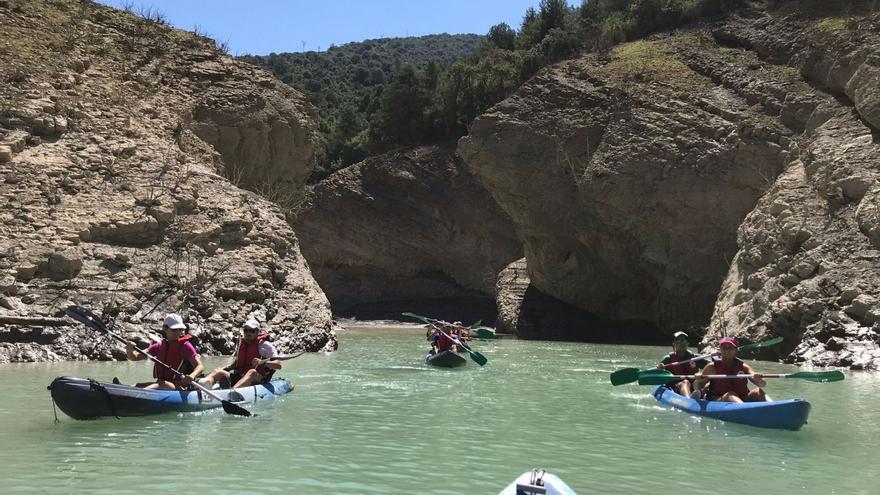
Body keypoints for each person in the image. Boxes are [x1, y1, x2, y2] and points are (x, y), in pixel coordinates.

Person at [125, 313, 204, 390]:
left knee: (161, 384)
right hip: (162, 383)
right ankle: (125, 389)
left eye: (180, 329)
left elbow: (200, 366)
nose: (178, 332)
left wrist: (192, 376)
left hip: (179, 387)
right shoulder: (159, 346)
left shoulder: (186, 346)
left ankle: (141, 393)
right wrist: (129, 350)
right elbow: (135, 357)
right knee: (139, 385)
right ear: (165, 329)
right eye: (174, 329)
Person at [199, 319, 282, 389]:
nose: (248, 333)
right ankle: (201, 387)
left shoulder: (265, 345)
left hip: (258, 378)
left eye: (252, 331)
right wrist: (225, 368)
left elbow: (278, 365)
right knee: (217, 371)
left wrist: (262, 362)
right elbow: (238, 362)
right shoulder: (240, 343)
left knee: (252, 372)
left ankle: (232, 392)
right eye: (246, 330)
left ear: (257, 332)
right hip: (240, 376)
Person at [693, 337, 771, 403]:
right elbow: (697, 386)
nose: (727, 350)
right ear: (720, 349)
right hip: (719, 400)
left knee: (758, 391)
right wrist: (698, 380)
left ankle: (774, 407)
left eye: (730, 348)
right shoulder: (712, 367)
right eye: (724, 347)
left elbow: (762, 385)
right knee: (730, 395)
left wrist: (759, 380)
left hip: (742, 398)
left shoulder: (743, 366)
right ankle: (745, 411)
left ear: (735, 350)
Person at [658, 331, 708, 398]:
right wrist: (660, 369)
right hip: (676, 386)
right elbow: (659, 374)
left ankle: (701, 395)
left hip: (695, 385)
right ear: (674, 345)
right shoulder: (668, 359)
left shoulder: (695, 358)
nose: (682, 343)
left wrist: (702, 375)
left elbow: (711, 366)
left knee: (706, 383)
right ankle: (689, 400)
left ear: (687, 344)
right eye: (679, 341)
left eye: (684, 341)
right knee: (685, 382)